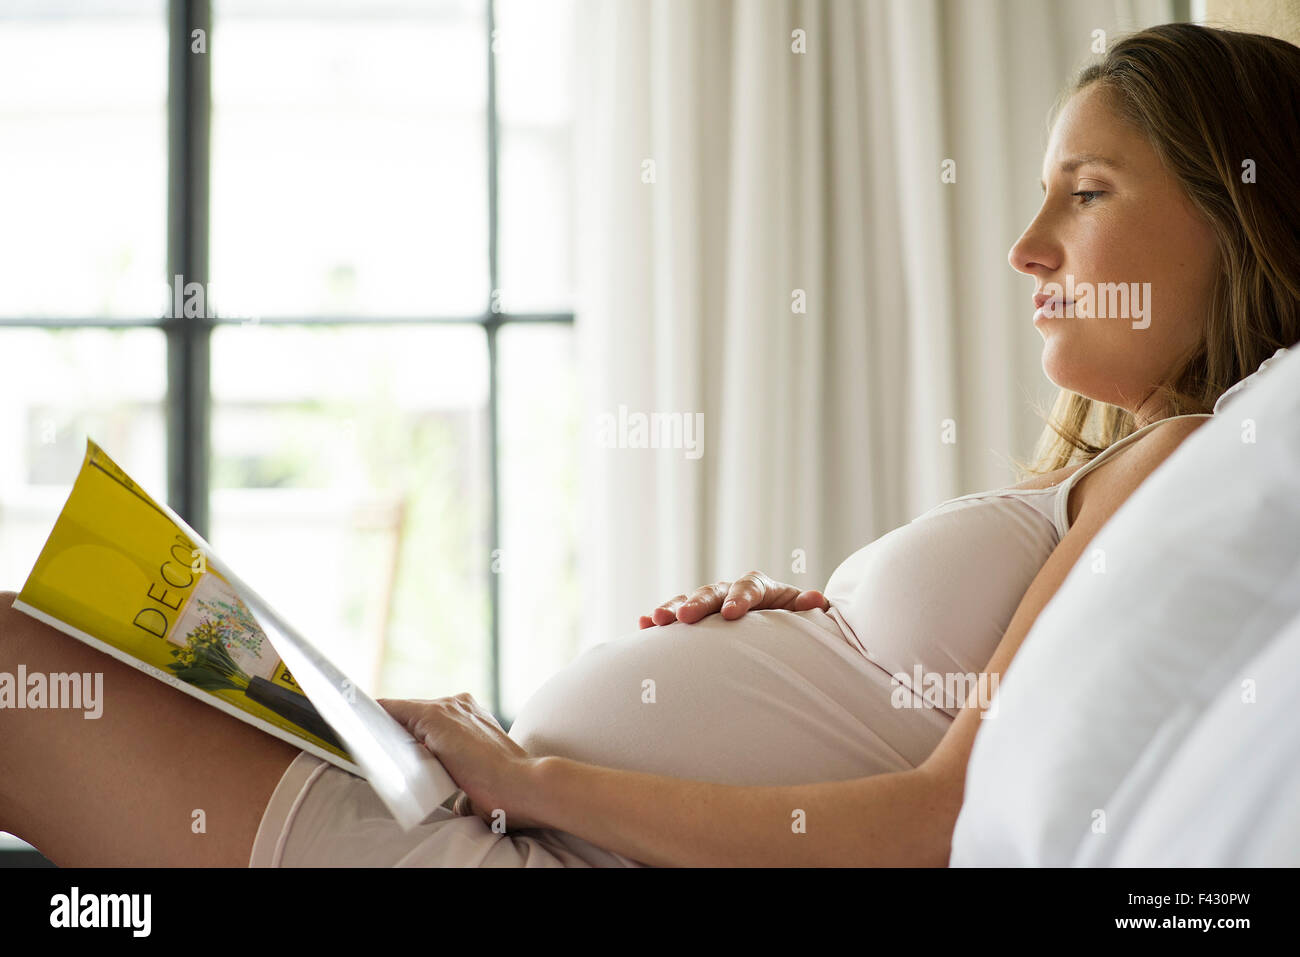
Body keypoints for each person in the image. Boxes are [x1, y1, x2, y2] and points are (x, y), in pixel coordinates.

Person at [2, 22, 1297, 868]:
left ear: (1243, 220)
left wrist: (534, 773)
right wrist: (821, 633)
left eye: (1086, 193)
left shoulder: (1202, 465)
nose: (1026, 245)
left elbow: (941, 819)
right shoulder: (1145, 474)